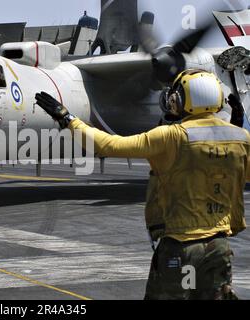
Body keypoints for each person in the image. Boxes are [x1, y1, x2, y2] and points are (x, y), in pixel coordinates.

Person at [35, 69, 250, 300]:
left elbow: (107, 145)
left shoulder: (171, 136)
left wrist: (67, 120)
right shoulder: (241, 139)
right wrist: (238, 124)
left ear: (179, 100)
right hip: (218, 247)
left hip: (181, 247)